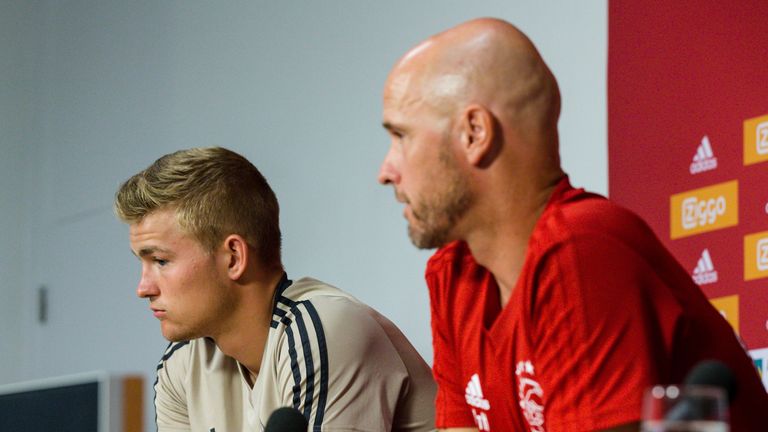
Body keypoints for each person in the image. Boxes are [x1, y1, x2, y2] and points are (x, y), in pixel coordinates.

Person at [377, 17, 768, 432]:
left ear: (475, 133)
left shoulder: (580, 249)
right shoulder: (454, 273)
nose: (386, 171)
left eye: (401, 136)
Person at [115, 147, 436, 431]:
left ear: (233, 257)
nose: (143, 288)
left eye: (160, 261)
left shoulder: (324, 327)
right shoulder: (181, 366)